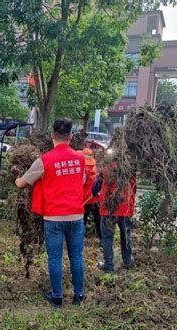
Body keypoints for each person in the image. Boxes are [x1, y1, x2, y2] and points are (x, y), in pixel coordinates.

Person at [15, 118, 86, 308]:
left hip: (54, 218)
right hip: (76, 216)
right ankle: (79, 295)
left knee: (55, 257)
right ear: (71, 136)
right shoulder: (80, 158)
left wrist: (16, 178)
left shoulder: (44, 161)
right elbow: (83, 180)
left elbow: (22, 183)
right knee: (76, 256)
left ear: (52, 136)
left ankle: (57, 297)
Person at [92, 162, 137, 272]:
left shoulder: (105, 169)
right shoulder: (129, 170)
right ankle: (127, 260)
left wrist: (96, 195)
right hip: (125, 208)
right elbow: (134, 189)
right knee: (126, 236)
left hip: (108, 209)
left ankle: (108, 265)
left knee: (107, 238)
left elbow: (94, 188)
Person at [81, 148, 101, 240]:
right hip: (96, 197)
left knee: (83, 220)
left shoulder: (82, 168)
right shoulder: (97, 167)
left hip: (85, 198)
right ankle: (102, 240)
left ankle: (80, 239)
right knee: (98, 220)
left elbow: (82, 182)